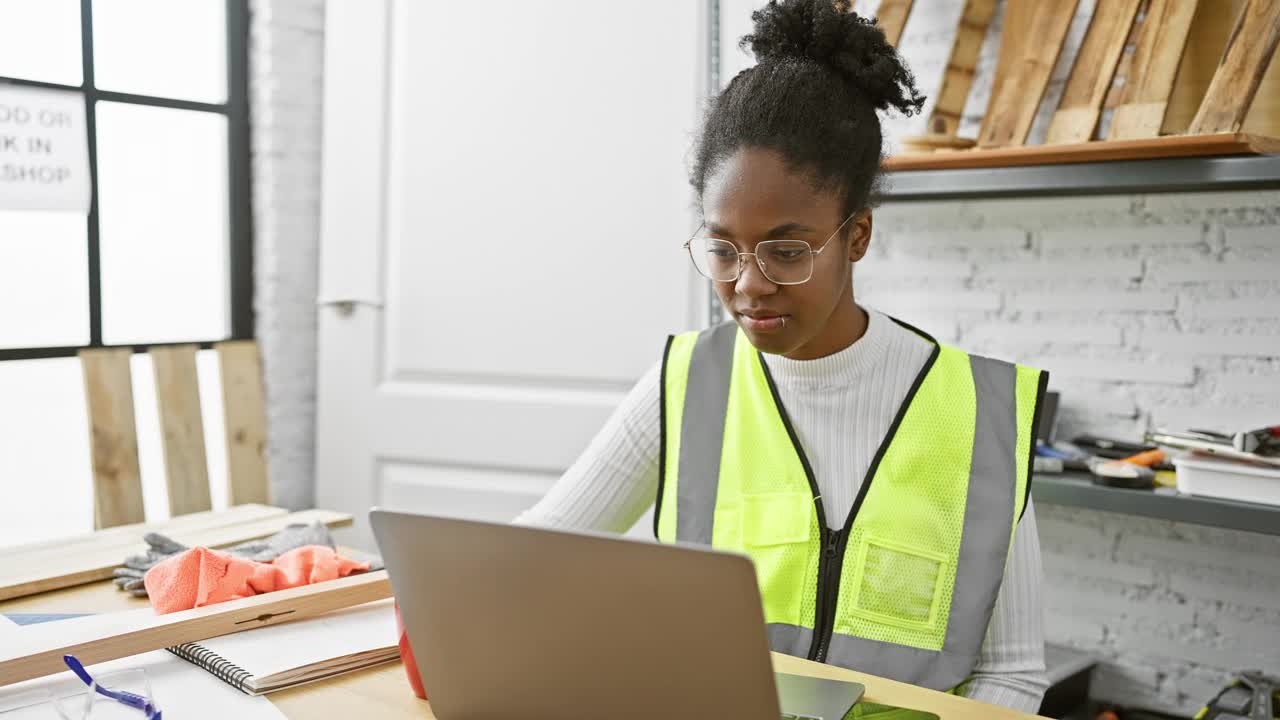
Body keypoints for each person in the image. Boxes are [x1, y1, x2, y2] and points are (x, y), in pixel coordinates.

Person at [516, 0, 1050, 712]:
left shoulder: (981, 416)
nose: (748, 284)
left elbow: (1012, 675)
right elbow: (526, 562)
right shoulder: (686, 386)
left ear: (856, 236)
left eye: (787, 251)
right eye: (722, 249)